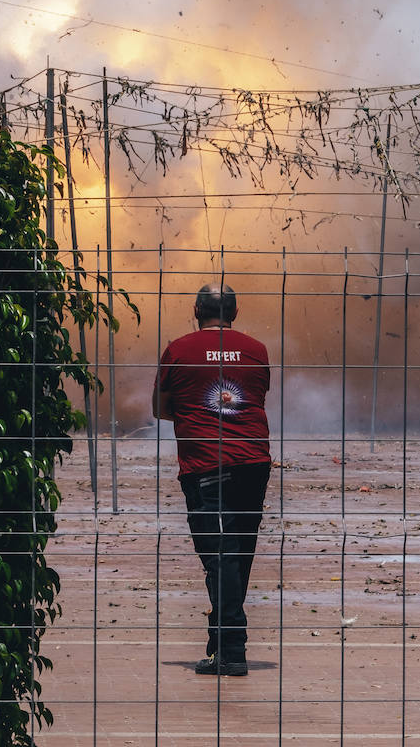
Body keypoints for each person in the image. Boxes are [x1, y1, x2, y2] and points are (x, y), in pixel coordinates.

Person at [153, 282, 271, 677]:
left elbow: (160, 409)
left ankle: (232, 649)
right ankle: (222, 643)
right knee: (237, 556)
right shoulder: (256, 350)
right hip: (253, 463)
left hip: (206, 465)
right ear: (235, 313)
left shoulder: (178, 350)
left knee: (220, 558)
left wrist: (193, 411)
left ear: (196, 311)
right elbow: (255, 400)